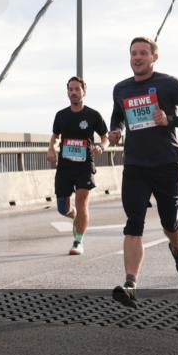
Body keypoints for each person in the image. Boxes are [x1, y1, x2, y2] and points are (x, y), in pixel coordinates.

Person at [107, 37, 178, 308]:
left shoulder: (169, 84)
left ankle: (177, 249)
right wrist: (116, 131)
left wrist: (169, 119)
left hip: (166, 163)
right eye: (133, 54)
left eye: (142, 53)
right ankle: (130, 284)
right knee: (133, 223)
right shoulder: (121, 89)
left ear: (154, 58)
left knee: (169, 222)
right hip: (135, 165)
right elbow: (117, 115)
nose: (137, 57)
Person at [47, 76, 109, 255]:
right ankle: (74, 214)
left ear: (84, 92)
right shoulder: (61, 115)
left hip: (84, 166)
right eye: (70, 89)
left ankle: (78, 241)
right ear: (67, 92)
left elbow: (105, 139)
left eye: (77, 89)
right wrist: (51, 148)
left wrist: (101, 147)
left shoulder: (93, 115)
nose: (73, 92)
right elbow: (55, 137)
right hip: (65, 167)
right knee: (62, 208)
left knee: (82, 202)